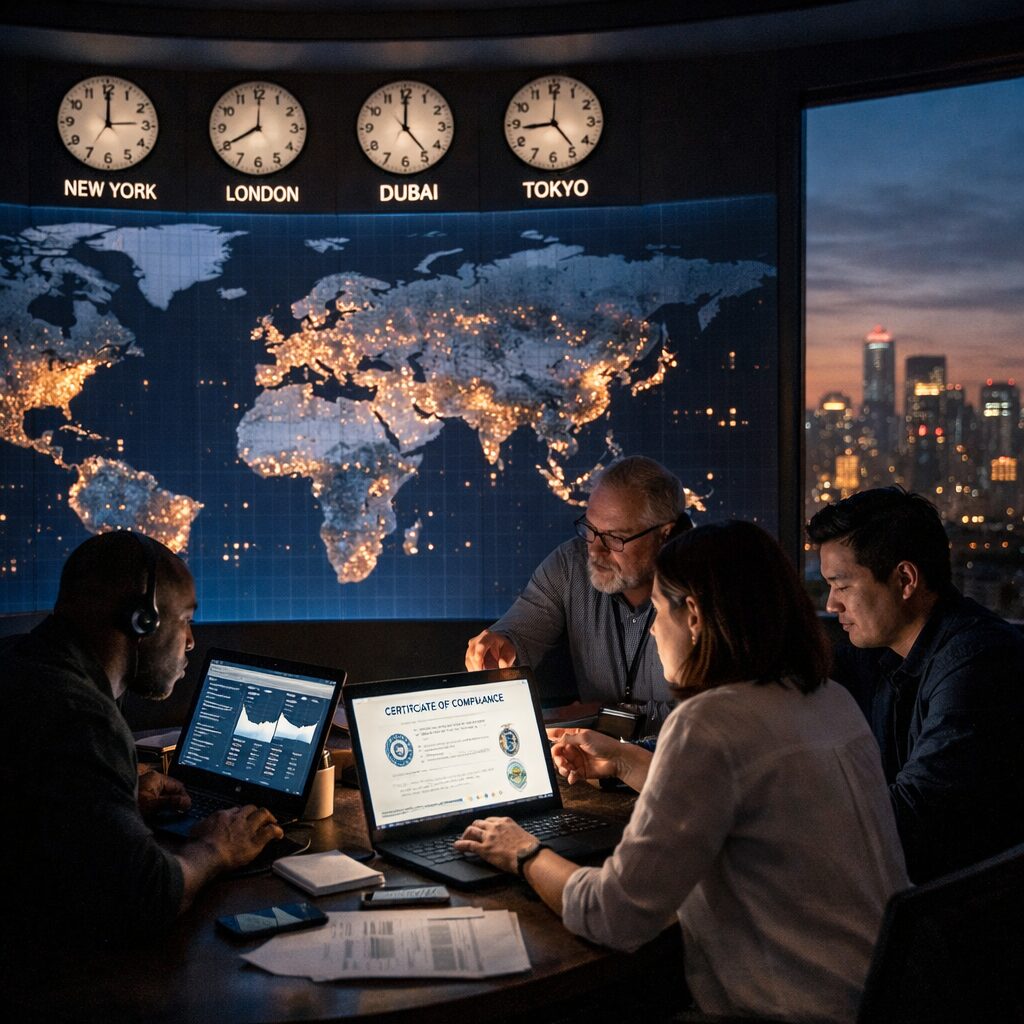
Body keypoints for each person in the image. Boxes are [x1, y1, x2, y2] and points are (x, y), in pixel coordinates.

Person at [455, 520, 908, 1023]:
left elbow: (612, 915)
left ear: (691, 616)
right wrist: (623, 759)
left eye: (656, 610)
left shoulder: (708, 723)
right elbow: (744, 798)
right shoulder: (828, 700)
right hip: (875, 1000)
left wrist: (522, 851)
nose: (651, 629)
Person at [0, 530, 284, 953]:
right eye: (186, 619)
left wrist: (115, 798)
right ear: (142, 621)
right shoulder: (81, 717)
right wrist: (215, 848)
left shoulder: (20, 666)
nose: (190, 641)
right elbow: (147, 897)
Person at [807, 486, 1024, 883]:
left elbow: (911, 815)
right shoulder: (879, 650)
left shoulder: (980, 662)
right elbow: (793, 690)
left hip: (970, 910)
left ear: (905, 579)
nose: (832, 606)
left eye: (842, 586)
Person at [465, 455, 691, 736]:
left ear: (665, 534)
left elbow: (711, 717)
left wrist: (603, 716)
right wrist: (502, 646)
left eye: (614, 537)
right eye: (591, 529)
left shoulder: (711, 584)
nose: (595, 551)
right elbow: (521, 630)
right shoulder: (569, 565)